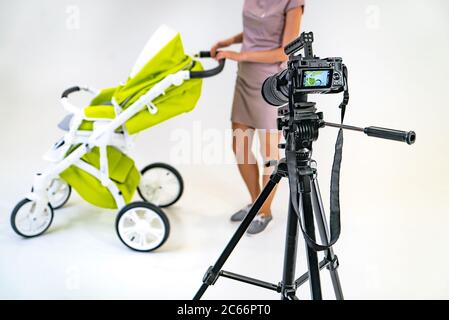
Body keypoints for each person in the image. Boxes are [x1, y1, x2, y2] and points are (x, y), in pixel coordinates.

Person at [211, 0, 305, 234]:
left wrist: (239, 55)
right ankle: (256, 202)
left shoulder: (293, 2)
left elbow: (286, 48)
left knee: (269, 153)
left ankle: (265, 211)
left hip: (271, 82)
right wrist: (230, 42)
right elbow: (258, 28)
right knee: (239, 145)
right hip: (245, 77)